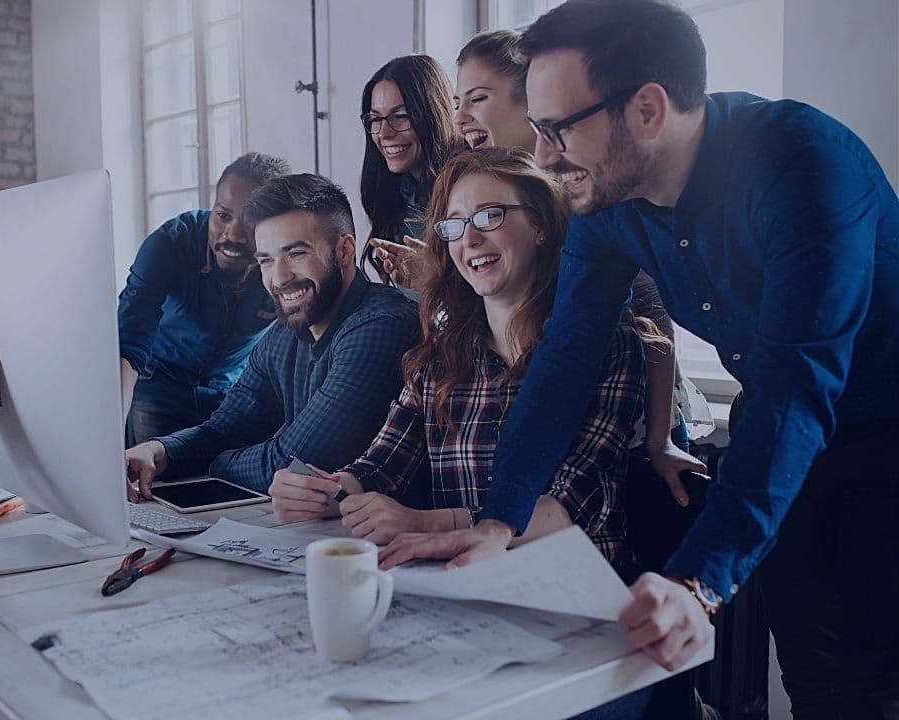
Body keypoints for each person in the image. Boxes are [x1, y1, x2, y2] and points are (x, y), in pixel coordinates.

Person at [383, 3, 899, 719]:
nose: (543, 155)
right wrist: (500, 518)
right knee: (813, 674)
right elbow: (565, 359)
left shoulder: (803, 167)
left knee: (873, 677)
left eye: (558, 129)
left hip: (880, 429)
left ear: (648, 109)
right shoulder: (607, 203)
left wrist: (696, 583)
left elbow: (797, 389)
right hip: (784, 428)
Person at [269, 147, 653, 719]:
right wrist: (324, 489)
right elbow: (381, 464)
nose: (469, 239)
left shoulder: (609, 345)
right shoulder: (438, 357)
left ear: (543, 226)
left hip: (581, 626)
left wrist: (427, 523)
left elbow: (573, 503)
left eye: (489, 216)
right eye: (454, 225)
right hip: (462, 607)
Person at [453, 29, 705, 510]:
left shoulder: (589, 187)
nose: (461, 117)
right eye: (456, 101)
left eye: (478, 98)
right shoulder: (474, 191)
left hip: (612, 433)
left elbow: (652, 327)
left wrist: (660, 439)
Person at [124, 173, 421, 498]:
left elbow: (291, 464)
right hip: (318, 532)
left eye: (296, 254)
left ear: (345, 251)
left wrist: (212, 464)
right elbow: (225, 430)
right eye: (266, 260)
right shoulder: (286, 332)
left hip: (398, 537)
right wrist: (158, 452)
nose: (278, 278)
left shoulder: (383, 325)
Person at [118, 152, 290, 445]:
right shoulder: (170, 243)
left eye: (250, 221)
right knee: (157, 485)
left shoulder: (285, 262)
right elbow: (129, 344)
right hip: (158, 385)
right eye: (222, 215)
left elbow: (308, 342)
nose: (232, 235)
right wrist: (110, 435)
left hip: (230, 392)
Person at [359, 54, 460, 289]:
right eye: (375, 119)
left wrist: (436, 280)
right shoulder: (394, 195)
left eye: (401, 116)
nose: (383, 133)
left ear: (434, 112)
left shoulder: (471, 191)